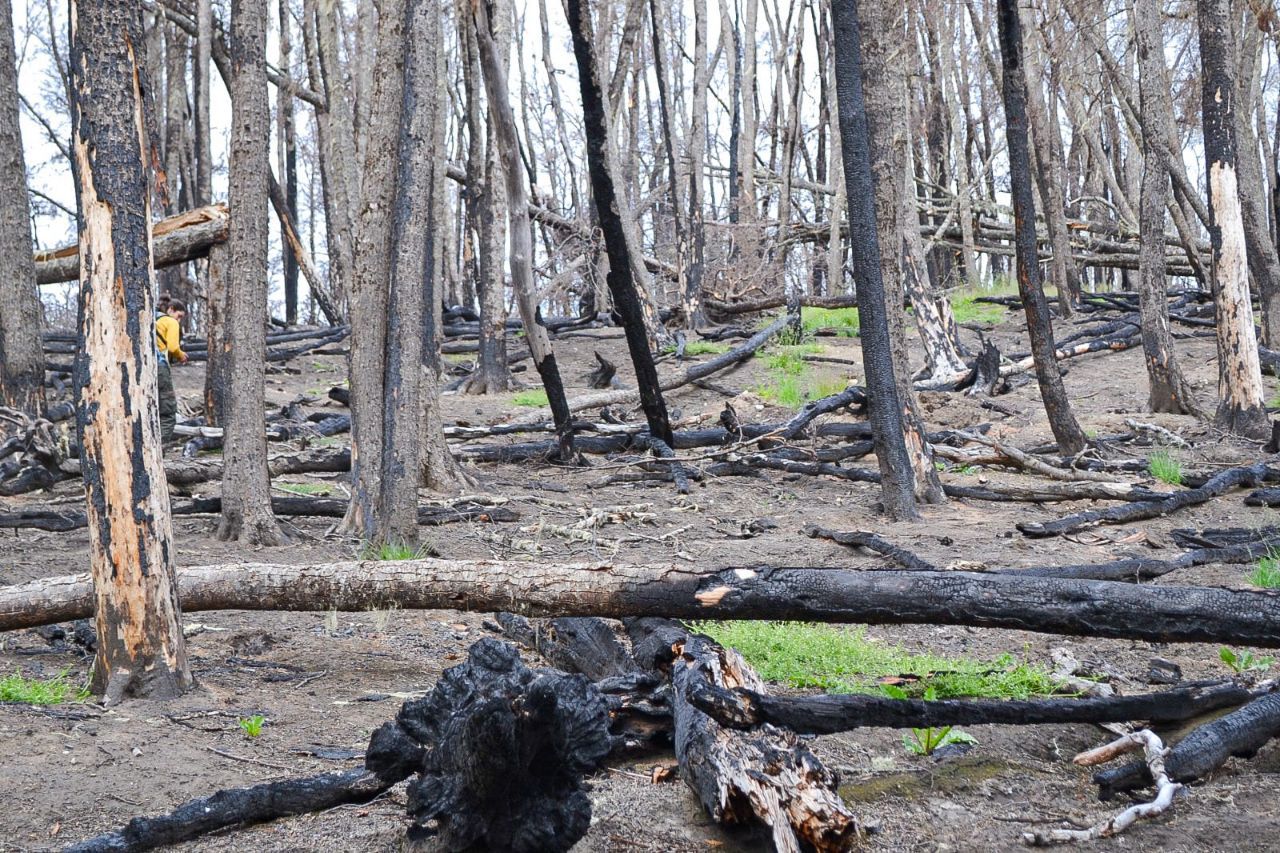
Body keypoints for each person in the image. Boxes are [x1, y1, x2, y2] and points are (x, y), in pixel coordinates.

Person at [155, 299, 188, 444]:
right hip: (160, 367)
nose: (178, 320)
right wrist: (181, 355)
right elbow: (173, 347)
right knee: (168, 415)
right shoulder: (171, 322)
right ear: (171, 309)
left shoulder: (151, 318)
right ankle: (160, 448)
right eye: (179, 316)